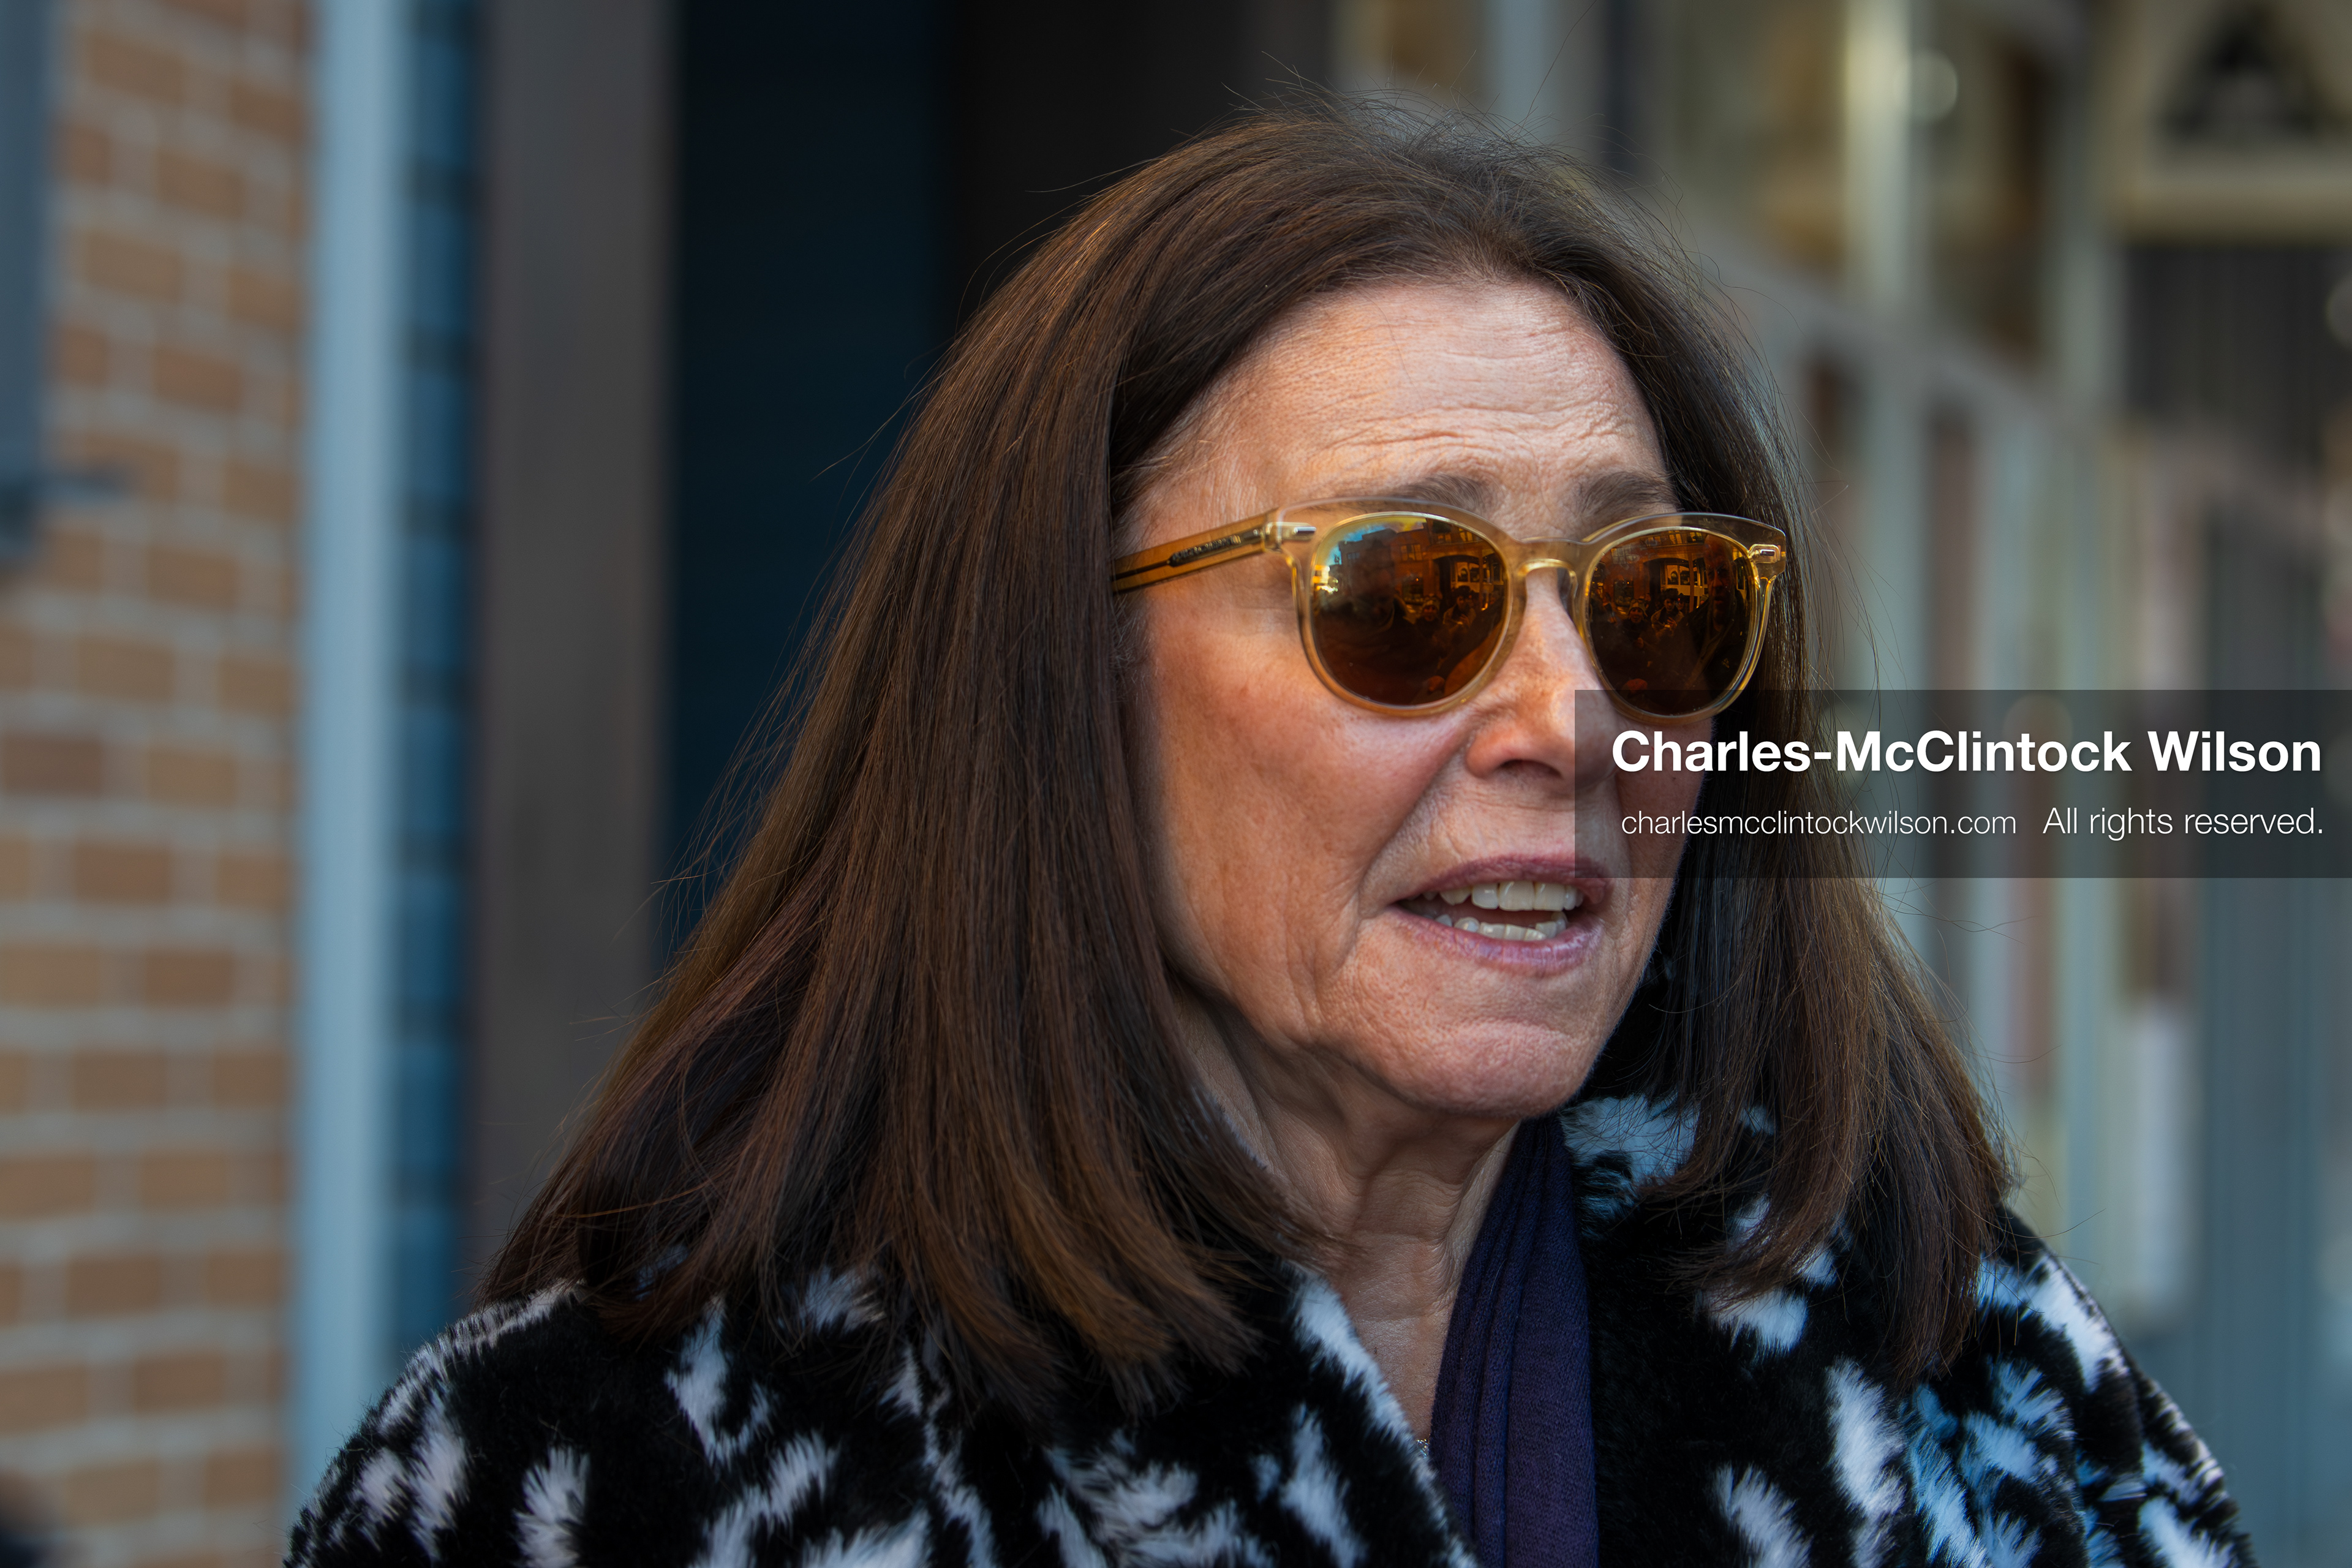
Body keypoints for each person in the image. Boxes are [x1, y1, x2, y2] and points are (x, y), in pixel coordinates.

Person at [290, 105, 2250, 1567]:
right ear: (1063, 678)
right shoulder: (611, 1480)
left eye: (1648, 606)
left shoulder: (1978, 1398)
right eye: (1406, 595)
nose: (1570, 724)